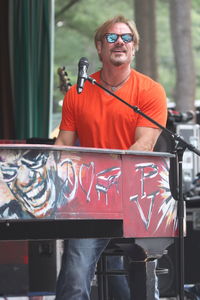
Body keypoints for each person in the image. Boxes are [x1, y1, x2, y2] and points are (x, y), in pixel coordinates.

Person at [55, 15, 167, 300]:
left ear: (134, 48)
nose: (120, 42)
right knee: (74, 278)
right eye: (112, 37)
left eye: (127, 38)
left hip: (136, 198)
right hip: (90, 199)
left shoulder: (151, 91)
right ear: (99, 47)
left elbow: (144, 145)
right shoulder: (77, 93)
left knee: (142, 286)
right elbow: (63, 147)